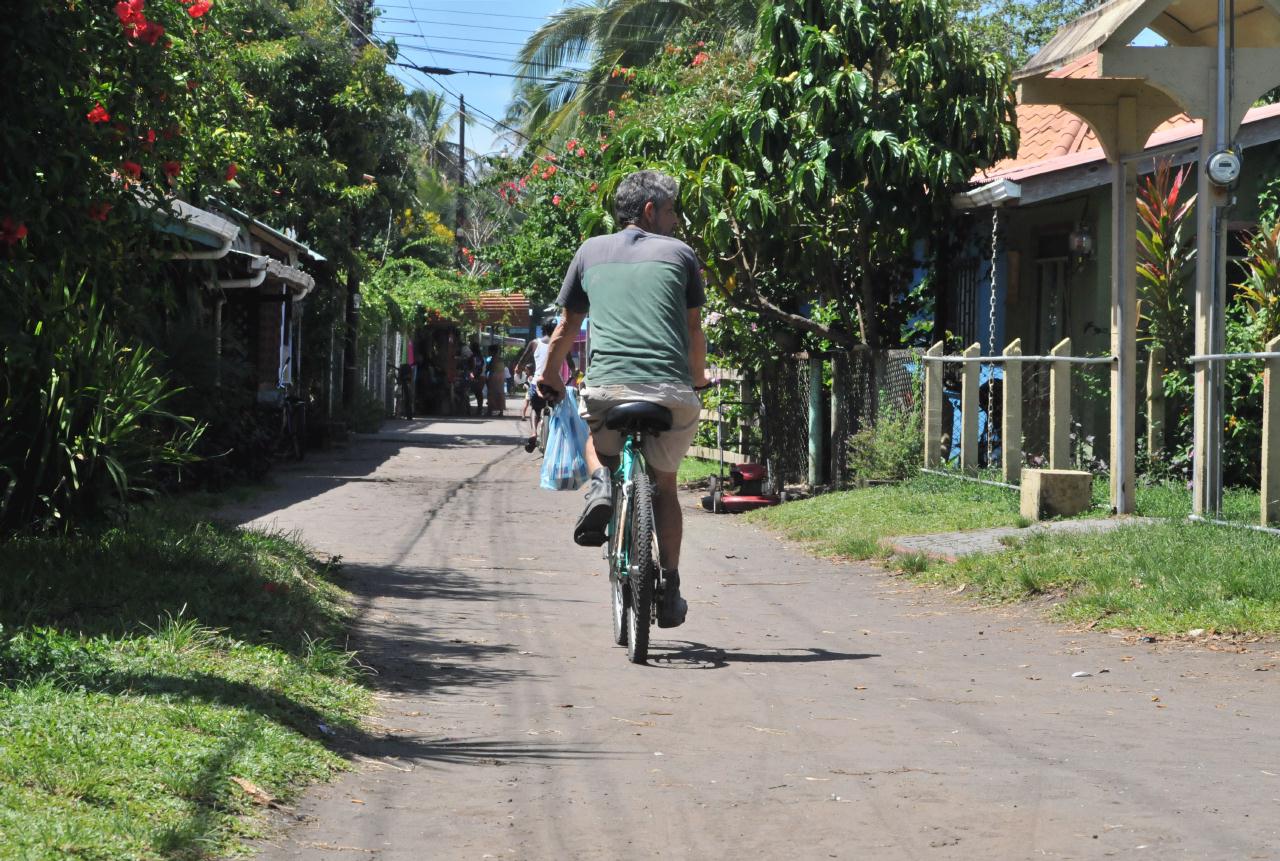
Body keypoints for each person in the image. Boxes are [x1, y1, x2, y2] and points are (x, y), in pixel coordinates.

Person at [535, 169, 708, 629]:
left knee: (595, 435)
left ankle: (602, 484)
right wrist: (700, 379)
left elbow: (566, 330)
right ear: (650, 211)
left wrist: (549, 379)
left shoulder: (590, 251)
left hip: (609, 391)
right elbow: (693, 330)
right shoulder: (682, 255)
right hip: (671, 393)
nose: (675, 221)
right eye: (671, 211)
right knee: (665, 486)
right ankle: (669, 586)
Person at [519, 321, 572, 452]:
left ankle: (533, 432)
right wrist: (578, 375)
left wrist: (518, 370)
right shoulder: (562, 343)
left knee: (535, 409)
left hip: (537, 383)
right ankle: (559, 437)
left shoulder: (534, 343)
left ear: (543, 329)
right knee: (559, 409)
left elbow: (523, 360)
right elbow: (571, 364)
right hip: (554, 385)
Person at [483, 345, 506, 416]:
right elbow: (502, 369)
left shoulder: (492, 359)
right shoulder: (500, 359)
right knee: (500, 394)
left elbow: (488, 368)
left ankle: (490, 411)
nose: (488, 352)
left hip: (494, 377)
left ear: (492, 351)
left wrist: (486, 375)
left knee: (491, 394)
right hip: (501, 378)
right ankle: (501, 411)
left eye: (489, 351)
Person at [466, 340, 485, 415]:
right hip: (479, 376)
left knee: (469, 392)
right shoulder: (480, 356)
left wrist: (473, 376)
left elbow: (474, 367)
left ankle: (470, 410)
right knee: (478, 394)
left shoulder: (474, 356)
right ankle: (479, 409)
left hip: (474, 376)